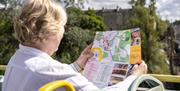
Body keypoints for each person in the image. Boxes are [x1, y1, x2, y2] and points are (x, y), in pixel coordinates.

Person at [2, 0, 147, 91]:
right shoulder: (48, 68)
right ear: (50, 31)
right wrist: (134, 77)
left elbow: (51, 76)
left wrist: (78, 64)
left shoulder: (17, 59)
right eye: (63, 26)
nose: (63, 32)